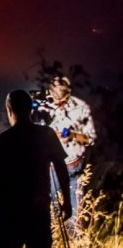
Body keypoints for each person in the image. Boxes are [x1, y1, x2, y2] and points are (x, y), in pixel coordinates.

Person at [0, 90, 72, 248]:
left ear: (9, 110)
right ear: (30, 109)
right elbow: (61, 167)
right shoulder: (46, 135)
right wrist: (66, 201)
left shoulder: (2, 140)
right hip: (38, 212)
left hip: (10, 215)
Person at [36, 76, 96, 233]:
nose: (58, 104)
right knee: (52, 214)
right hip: (52, 170)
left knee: (75, 216)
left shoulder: (81, 108)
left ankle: (76, 245)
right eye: (55, 99)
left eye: (62, 100)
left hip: (73, 169)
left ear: (68, 95)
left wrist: (71, 135)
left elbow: (90, 139)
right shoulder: (45, 107)